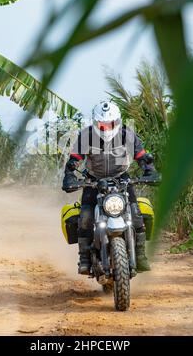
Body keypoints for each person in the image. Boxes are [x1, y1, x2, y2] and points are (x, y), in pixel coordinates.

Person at [62, 101, 158, 275]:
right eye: (102, 124)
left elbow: (142, 156)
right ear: (95, 122)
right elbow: (74, 159)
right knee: (85, 216)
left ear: (118, 121)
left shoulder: (127, 135)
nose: (106, 127)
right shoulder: (86, 136)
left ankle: (141, 255)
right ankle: (84, 257)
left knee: (136, 215)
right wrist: (69, 176)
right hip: (93, 180)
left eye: (110, 124)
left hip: (121, 179)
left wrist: (150, 171)